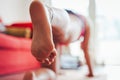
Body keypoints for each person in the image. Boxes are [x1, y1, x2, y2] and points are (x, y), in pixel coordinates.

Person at [30, 0, 93, 77]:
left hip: (54, 30)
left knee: (52, 72)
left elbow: (58, 51)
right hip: (70, 22)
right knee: (67, 29)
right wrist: (91, 72)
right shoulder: (86, 21)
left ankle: (35, 77)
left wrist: (58, 68)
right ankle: (49, 13)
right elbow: (86, 49)